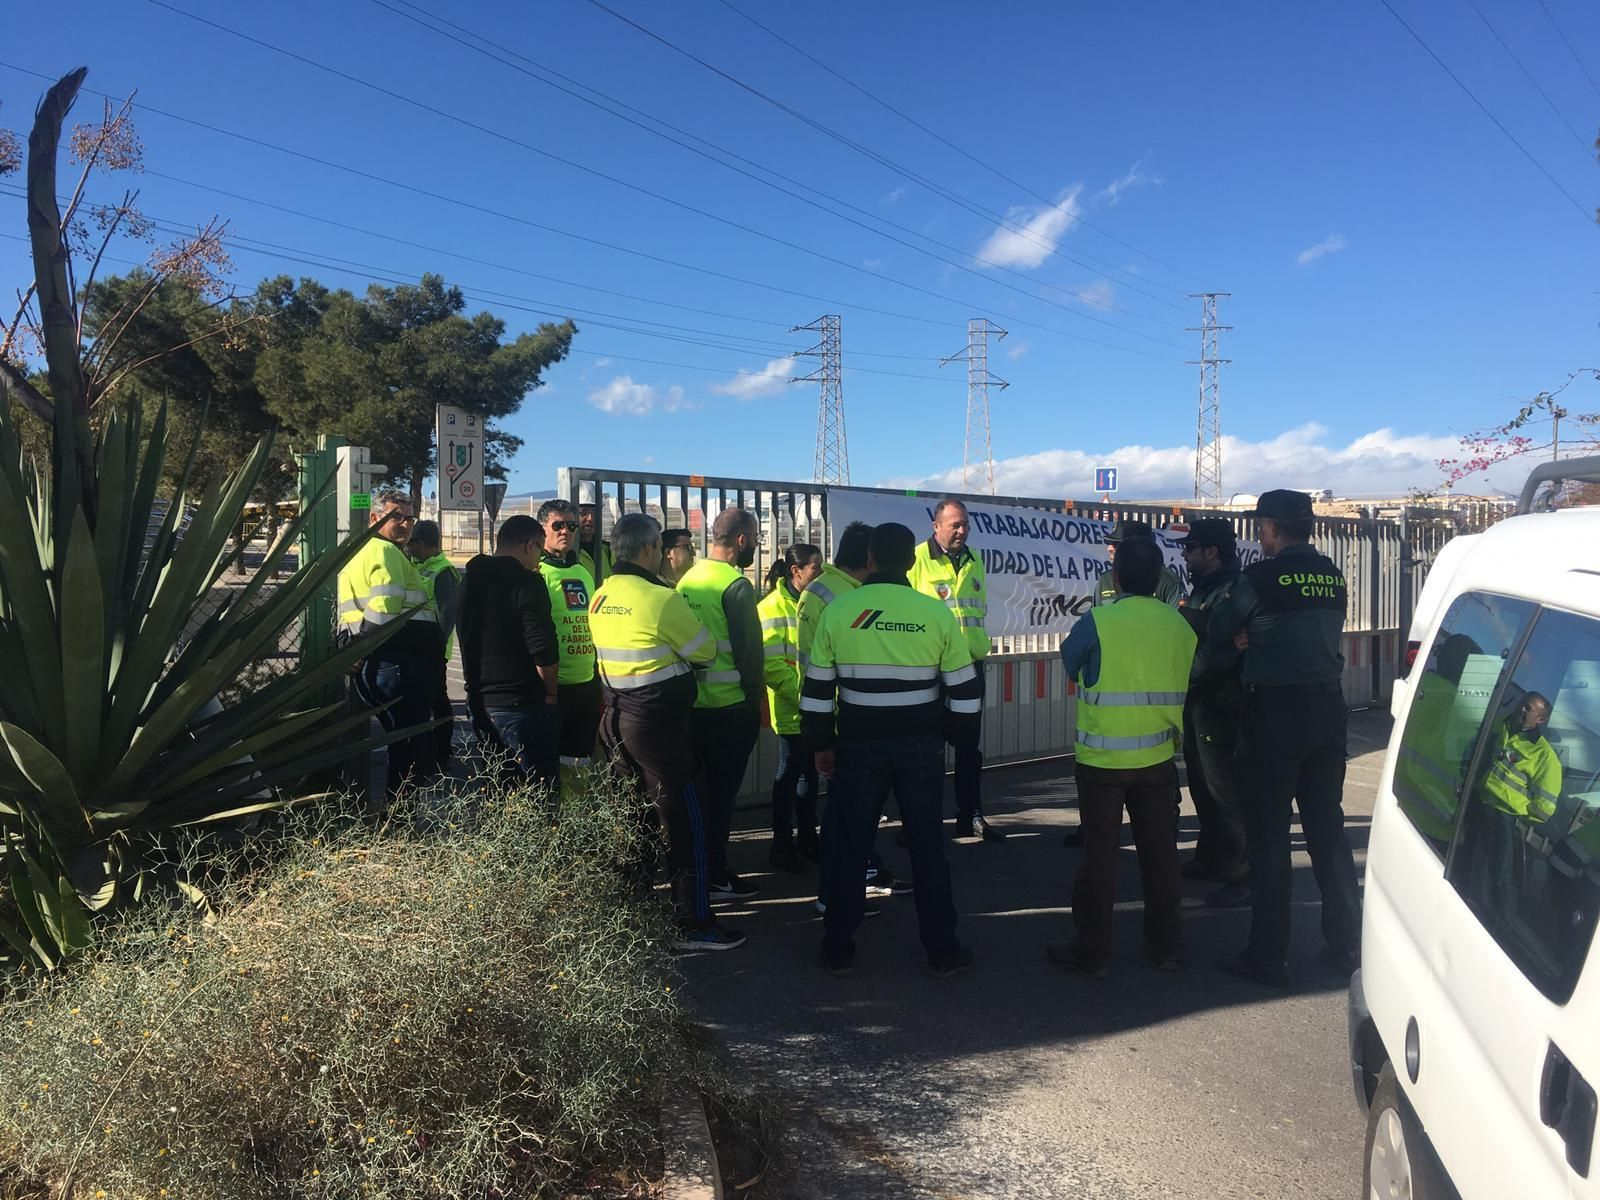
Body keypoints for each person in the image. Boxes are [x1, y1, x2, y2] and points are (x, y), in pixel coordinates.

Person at [803, 522, 979, 978]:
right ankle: (942, 950)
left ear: (871, 559)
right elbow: (965, 690)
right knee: (927, 848)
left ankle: (837, 947)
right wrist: (953, 736)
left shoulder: (841, 612)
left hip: (858, 746)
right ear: (909, 562)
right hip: (920, 747)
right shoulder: (935, 614)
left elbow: (817, 692)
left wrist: (822, 745)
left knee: (850, 847)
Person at [1209, 489, 1362, 988]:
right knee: (1327, 831)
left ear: (1271, 527)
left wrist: (1239, 639)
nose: (1258, 534)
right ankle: (1348, 946)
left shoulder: (1260, 578)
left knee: (1270, 838)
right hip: (1327, 710)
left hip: (1275, 713)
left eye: (1261, 526)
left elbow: (1217, 632)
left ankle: (1268, 955)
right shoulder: (1331, 576)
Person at [589, 513, 744, 951]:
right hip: (659, 730)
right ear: (649, 550)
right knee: (686, 823)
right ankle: (695, 925)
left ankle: (632, 909)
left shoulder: (601, 595)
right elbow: (707, 652)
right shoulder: (660, 598)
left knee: (634, 818)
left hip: (616, 720)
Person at [1051, 537, 1194, 978]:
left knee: (1100, 858)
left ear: (1115, 577)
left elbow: (1072, 665)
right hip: (1156, 759)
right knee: (1160, 855)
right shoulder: (1179, 625)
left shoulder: (1098, 621)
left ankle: (1092, 953)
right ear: (1158, 579)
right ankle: (1166, 947)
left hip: (1102, 762)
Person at [798, 521, 910, 905]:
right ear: (869, 557)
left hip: (822, 711)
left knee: (844, 809)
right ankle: (846, 886)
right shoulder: (849, 599)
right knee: (849, 812)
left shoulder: (821, 588)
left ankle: (854, 876)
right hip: (847, 718)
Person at [678, 507, 765, 901]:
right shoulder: (736, 585)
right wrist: (754, 698)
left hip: (691, 708)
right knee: (722, 798)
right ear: (742, 540)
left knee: (697, 798)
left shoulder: (687, 580)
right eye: (756, 539)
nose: (756, 547)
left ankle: (697, 871)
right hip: (730, 709)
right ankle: (716, 873)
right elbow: (749, 654)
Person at [909, 499, 1005, 841]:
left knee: (969, 748)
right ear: (937, 526)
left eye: (965, 524)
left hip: (969, 667)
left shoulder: (975, 558)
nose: (962, 531)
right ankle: (922, 823)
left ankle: (972, 815)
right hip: (930, 670)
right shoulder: (917, 559)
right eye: (955, 525)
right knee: (927, 750)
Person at [337, 488, 441, 796]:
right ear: (374, 518)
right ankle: (401, 819)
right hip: (397, 663)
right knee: (406, 747)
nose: (406, 524)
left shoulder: (365, 550)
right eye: (396, 516)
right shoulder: (384, 552)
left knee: (400, 743)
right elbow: (384, 611)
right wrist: (361, 651)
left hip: (386, 663)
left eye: (410, 518)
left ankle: (397, 816)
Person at [455, 515, 560, 792]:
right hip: (520, 704)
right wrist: (550, 692)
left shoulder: (469, 580)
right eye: (540, 550)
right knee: (538, 794)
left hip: (480, 702)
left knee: (498, 792)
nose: (539, 561)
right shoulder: (527, 583)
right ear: (529, 545)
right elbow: (543, 649)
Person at [1177, 518, 1251, 908]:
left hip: (1221, 701)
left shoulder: (1233, 591)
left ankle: (1243, 873)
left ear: (1211, 552)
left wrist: (1183, 681)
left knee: (1226, 789)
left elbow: (1219, 652)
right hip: (1199, 702)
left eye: (1190, 549)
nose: (1185, 555)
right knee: (1201, 783)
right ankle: (1211, 857)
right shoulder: (1203, 587)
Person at [759, 544, 824, 870]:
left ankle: (808, 838)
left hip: (813, 705)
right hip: (792, 706)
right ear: (796, 571)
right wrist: (804, 695)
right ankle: (782, 844)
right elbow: (771, 666)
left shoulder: (813, 602)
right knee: (789, 776)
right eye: (815, 567)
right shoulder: (772, 607)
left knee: (809, 776)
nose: (821, 573)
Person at [535, 499, 603, 779]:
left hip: (586, 684)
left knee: (579, 761)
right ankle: (547, 819)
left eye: (571, 525)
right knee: (545, 761)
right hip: (552, 685)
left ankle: (575, 819)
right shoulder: (538, 573)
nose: (566, 531)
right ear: (543, 529)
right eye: (558, 525)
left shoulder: (582, 572)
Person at [406, 519, 461, 770]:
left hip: (434, 650)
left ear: (421, 543)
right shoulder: (415, 565)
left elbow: (447, 616)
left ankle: (441, 752)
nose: (408, 547)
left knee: (437, 701)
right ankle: (426, 752)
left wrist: (436, 650)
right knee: (423, 701)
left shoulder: (443, 571)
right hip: (416, 648)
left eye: (412, 543)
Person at [1091, 520, 1184, 607]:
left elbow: (1177, 620)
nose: (1109, 548)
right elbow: (1095, 618)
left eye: (1117, 544)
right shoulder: (1105, 580)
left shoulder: (1168, 582)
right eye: (1110, 543)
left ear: (1140, 548)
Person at [578, 496, 614, 585]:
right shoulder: (566, 552)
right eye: (583, 513)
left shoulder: (608, 550)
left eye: (595, 513)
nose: (590, 518)